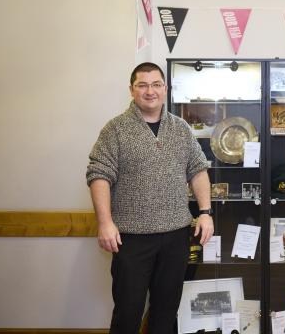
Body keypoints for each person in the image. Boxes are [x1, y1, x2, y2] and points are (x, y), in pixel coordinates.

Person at [86, 62, 213, 334]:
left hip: (175, 237)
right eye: (142, 85)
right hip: (131, 239)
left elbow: (198, 170)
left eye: (156, 84)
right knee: (128, 314)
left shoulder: (181, 129)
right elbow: (98, 175)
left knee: (165, 314)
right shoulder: (115, 130)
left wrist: (205, 212)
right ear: (132, 90)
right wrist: (105, 222)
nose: (150, 91)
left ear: (165, 89)